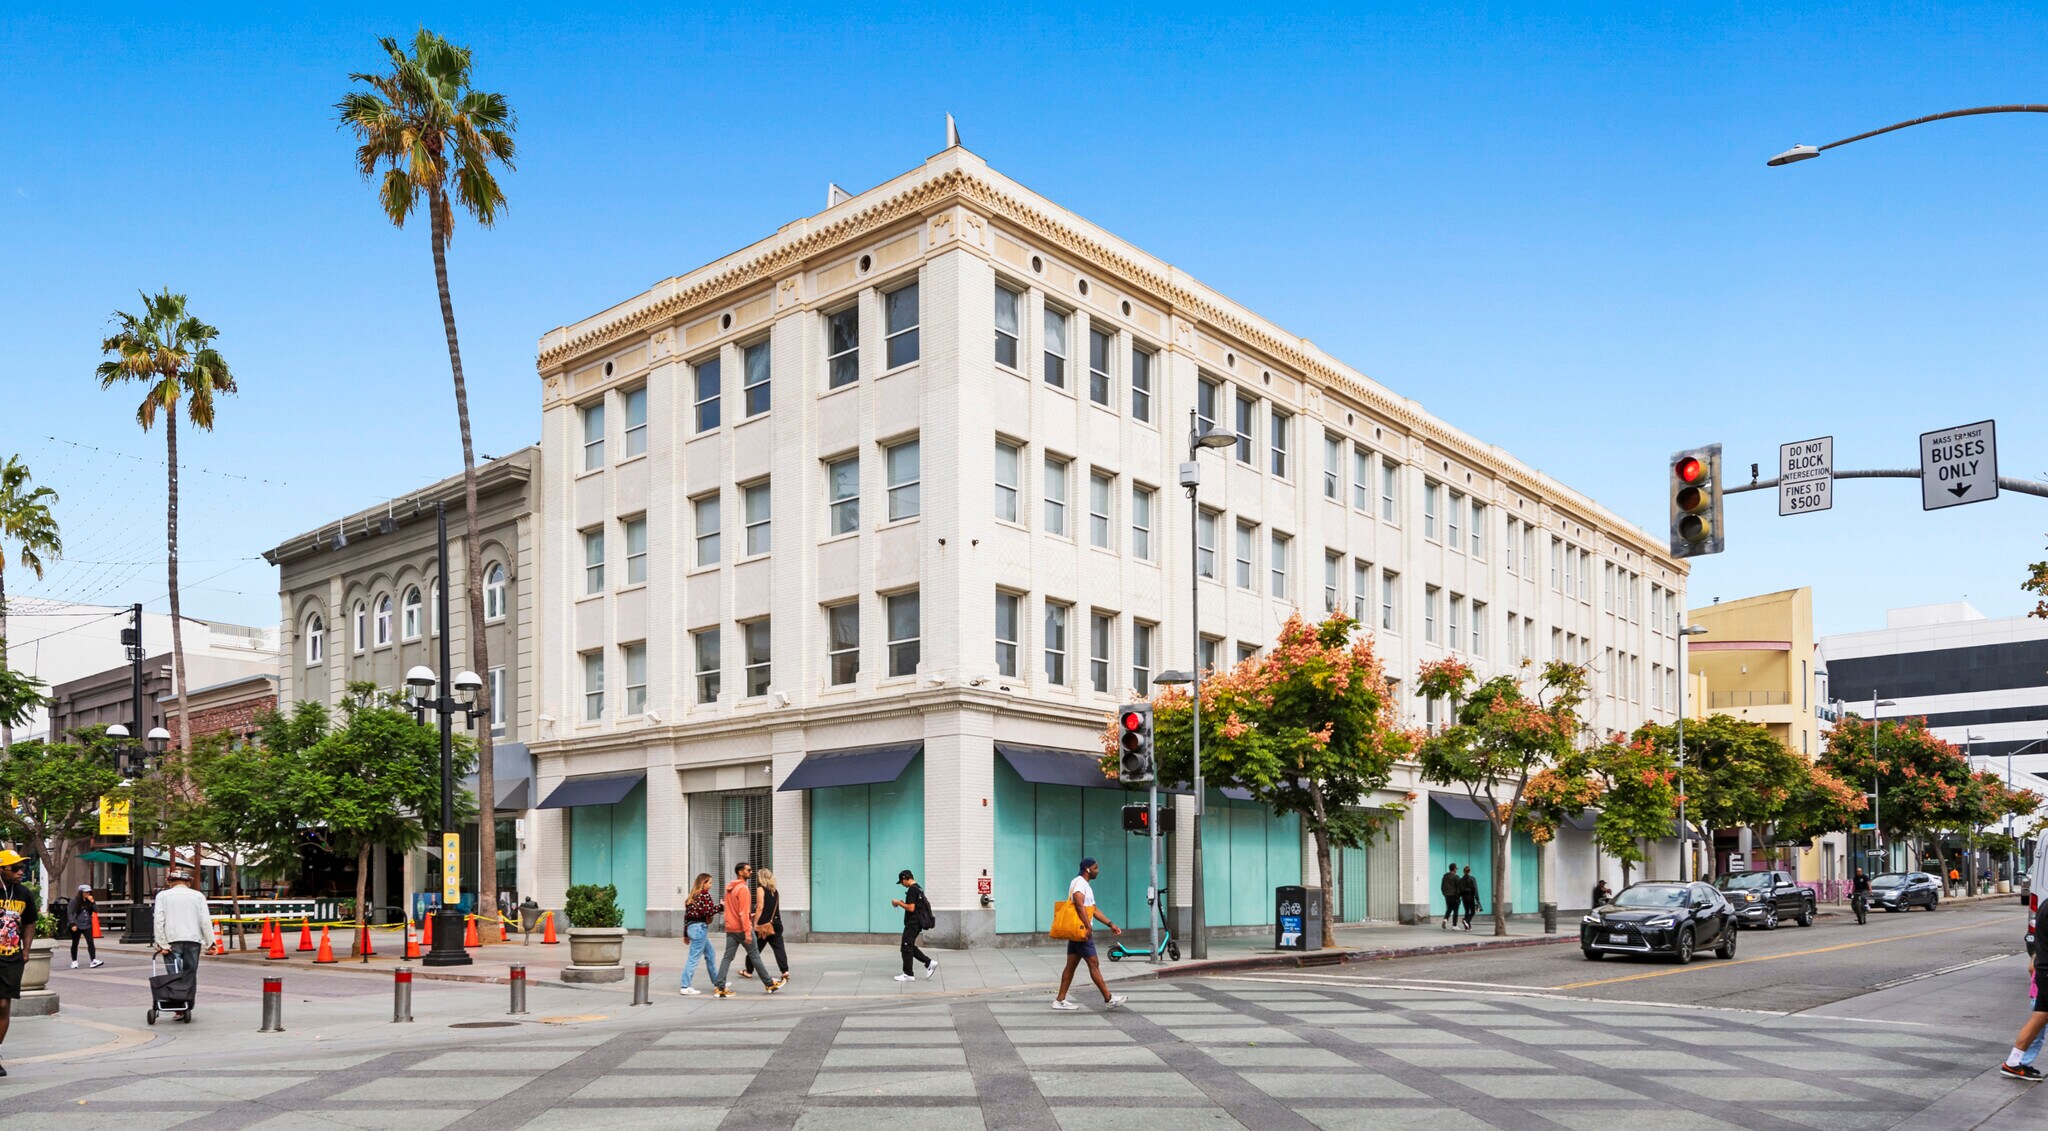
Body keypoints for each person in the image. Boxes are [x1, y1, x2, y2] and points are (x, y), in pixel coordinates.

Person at [1052, 858, 1126, 1011]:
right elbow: (1079, 904)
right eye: (1095, 868)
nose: (1097, 871)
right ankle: (1109, 998)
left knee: (1070, 967)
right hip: (1082, 932)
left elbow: (1093, 909)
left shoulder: (1083, 884)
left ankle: (1060, 999)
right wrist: (1088, 927)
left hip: (1078, 932)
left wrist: (1110, 924)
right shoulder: (1080, 883)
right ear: (1087, 869)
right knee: (1094, 964)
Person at [153, 868, 216, 1020]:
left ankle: (178, 1007)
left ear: (170, 882)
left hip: (171, 940)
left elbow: (158, 920)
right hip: (193, 939)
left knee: (174, 974)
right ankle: (188, 1003)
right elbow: (205, 920)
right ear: (188, 882)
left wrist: (161, 943)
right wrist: (210, 943)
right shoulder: (198, 896)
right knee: (190, 973)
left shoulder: (163, 896)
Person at [713, 862, 780, 996]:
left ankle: (720, 987)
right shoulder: (743, 889)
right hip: (742, 929)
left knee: (727, 957)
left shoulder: (730, 888)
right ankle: (769, 983)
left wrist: (750, 915)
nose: (751, 872)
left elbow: (732, 909)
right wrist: (748, 931)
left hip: (731, 928)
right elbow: (742, 913)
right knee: (755, 955)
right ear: (740, 872)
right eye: (748, 870)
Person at [0, 849, 38, 1078]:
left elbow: (30, 922)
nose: (20, 872)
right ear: (2, 869)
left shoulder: (24, 894)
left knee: (4, 1005)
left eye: (22, 868)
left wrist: (26, 950)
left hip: (11, 957)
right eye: (15, 868)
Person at [2000, 957, 2048, 1080]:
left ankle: (2015, 1062)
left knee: (2040, 1018)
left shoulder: (2038, 953)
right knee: (2039, 1023)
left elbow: (2032, 967)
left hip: (2042, 978)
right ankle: (2016, 1062)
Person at [742, 868, 789, 984]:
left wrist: (755, 923)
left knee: (754, 949)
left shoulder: (760, 889)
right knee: (779, 949)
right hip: (776, 924)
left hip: (764, 926)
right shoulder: (775, 891)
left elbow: (760, 907)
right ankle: (785, 971)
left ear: (761, 878)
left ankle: (748, 971)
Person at [891, 869, 937, 982]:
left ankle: (908, 974)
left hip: (913, 923)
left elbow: (911, 908)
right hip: (916, 923)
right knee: (909, 946)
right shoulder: (918, 888)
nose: (902, 884)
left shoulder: (912, 890)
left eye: (902, 882)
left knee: (906, 946)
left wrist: (899, 903)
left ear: (905, 879)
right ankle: (928, 962)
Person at [678, 873, 717, 995]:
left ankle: (718, 982)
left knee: (710, 954)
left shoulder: (692, 896)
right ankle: (685, 986)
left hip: (692, 928)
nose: (711, 885)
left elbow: (686, 917)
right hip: (699, 928)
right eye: (710, 882)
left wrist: (685, 934)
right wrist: (722, 907)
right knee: (694, 958)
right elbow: (708, 911)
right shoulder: (704, 895)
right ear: (703, 883)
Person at [68, 884, 101, 969]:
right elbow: (70, 912)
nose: (88, 894)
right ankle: (74, 961)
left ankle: (93, 960)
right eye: (86, 892)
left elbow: (96, 910)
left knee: (90, 942)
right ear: (81, 892)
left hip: (87, 924)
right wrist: (72, 923)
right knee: (75, 943)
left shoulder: (88, 901)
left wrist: (93, 902)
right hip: (77, 924)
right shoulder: (74, 901)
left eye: (89, 892)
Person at [1458, 865, 1480, 931]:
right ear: (1469, 871)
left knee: (1467, 911)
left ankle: (1467, 927)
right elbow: (1475, 889)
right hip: (1470, 897)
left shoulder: (1461, 880)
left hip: (1464, 898)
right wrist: (1477, 899)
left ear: (1463, 871)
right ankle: (1466, 921)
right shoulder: (1472, 879)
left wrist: (1460, 897)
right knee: (1473, 911)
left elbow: (1459, 890)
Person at [1440, 864, 1460, 930]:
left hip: (1447, 896)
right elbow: (1458, 887)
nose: (1456, 870)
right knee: (1456, 910)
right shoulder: (1456, 877)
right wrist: (1458, 896)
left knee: (1449, 909)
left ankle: (1445, 919)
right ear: (1454, 869)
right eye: (1456, 868)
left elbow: (1442, 886)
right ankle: (1454, 925)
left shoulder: (1445, 876)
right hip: (1454, 895)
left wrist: (1444, 894)